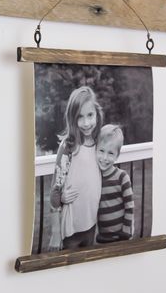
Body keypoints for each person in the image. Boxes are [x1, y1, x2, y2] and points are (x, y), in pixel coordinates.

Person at [49, 86, 103, 250]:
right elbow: (55, 191)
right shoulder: (68, 146)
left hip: (91, 225)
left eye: (90, 115)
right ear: (72, 119)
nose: (86, 123)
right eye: (80, 117)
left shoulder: (98, 143)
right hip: (71, 229)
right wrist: (56, 232)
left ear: (97, 114)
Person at [96, 124, 134, 243]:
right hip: (102, 237)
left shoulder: (122, 177)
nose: (105, 158)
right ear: (95, 149)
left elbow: (130, 206)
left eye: (111, 153)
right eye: (101, 151)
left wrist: (126, 231)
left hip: (121, 236)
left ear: (117, 156)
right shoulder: (94, 177)